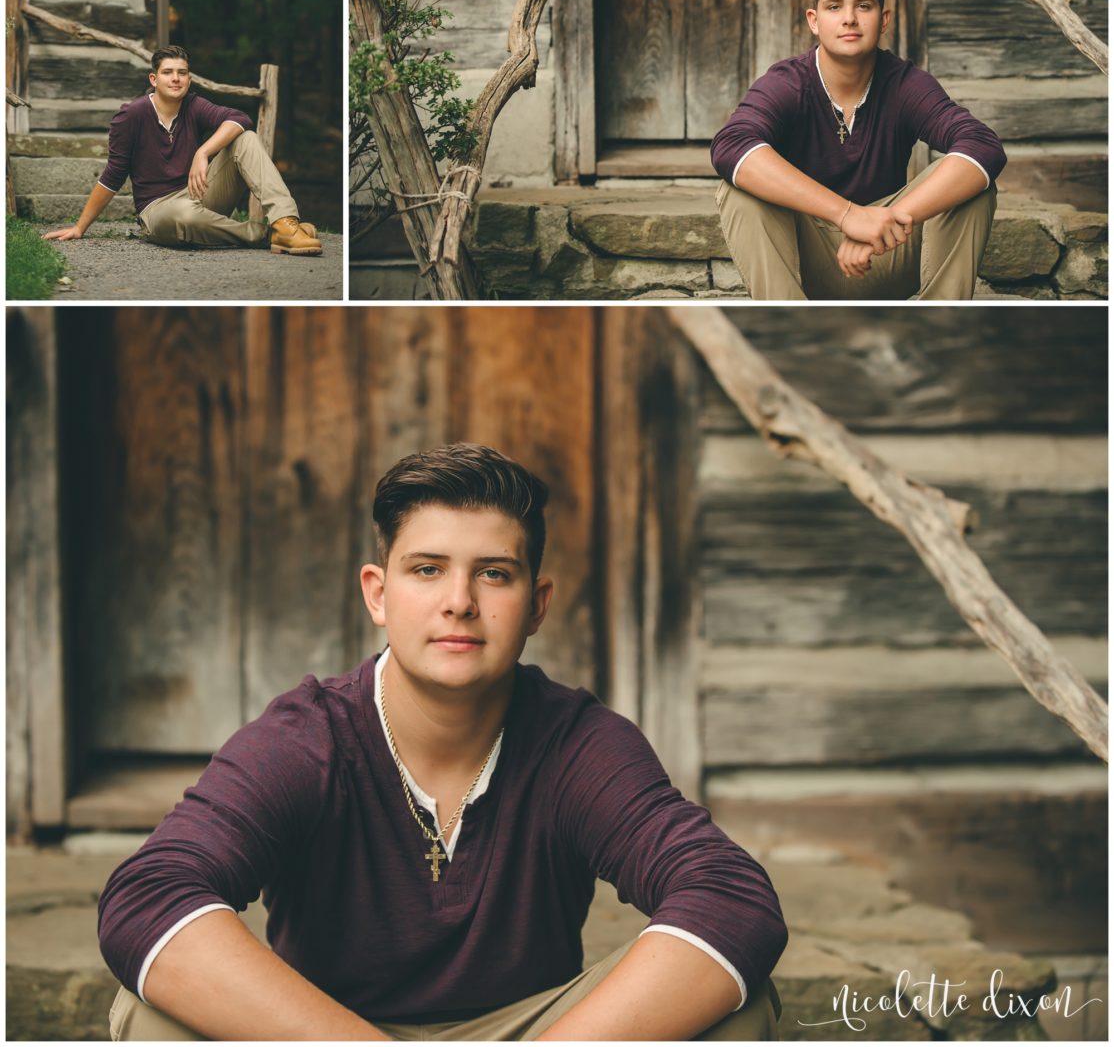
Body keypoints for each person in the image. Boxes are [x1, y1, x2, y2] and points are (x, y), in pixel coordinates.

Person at [99, 444, 787, 1041]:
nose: (459, 600)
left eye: (494, 573)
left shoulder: (576, 743)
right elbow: (149, 894)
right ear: (378, 593)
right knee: (150, 1015)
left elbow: (730, 897)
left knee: (736, 1006)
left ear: (537, 605)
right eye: (427, 569)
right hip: (326, 1029)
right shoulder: (309, 738)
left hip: (530, 1030)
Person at [711, 0, 1005, 301]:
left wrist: (885, 221)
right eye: (834, 7)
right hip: (808, 264)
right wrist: (847, 216)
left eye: (863, 6)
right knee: (739, 190)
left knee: (972, 184)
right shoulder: (787, 83)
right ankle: (791, 324)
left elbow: (982, 144)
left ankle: (941, 322)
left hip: (888, 254)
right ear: (814, 20)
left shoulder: (905, 84)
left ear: (883, 20)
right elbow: (731, 144)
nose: (849, 19)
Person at [42, 45, 320, 255]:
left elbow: (240, 119)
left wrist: (203, 153)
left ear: (188, 79)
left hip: (199, 192)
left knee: (244, 138)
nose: (175, 79)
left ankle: (285, 222)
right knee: (184, 215)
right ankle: (266, 235)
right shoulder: (132, 115)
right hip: (159, 210)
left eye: (182, 73)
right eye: (167, 73)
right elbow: (113, 174)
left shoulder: (193, 105)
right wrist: (80, 227)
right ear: (154, 79)